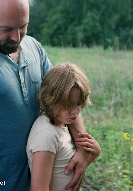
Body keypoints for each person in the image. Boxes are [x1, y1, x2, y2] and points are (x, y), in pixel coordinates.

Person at [0, 0, 90, 191]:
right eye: (7, 29)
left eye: (23, 27)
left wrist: (82, 150)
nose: (17, 37)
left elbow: (64, 97)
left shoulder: (34, 47)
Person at [27, 62, 101, 191]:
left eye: (79, 104)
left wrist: (94, 153)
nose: (75, 111)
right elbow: (39, 188)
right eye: (68, 105)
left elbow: (68, 171)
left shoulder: (64, 125)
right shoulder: (46, 134)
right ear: (49, 98)